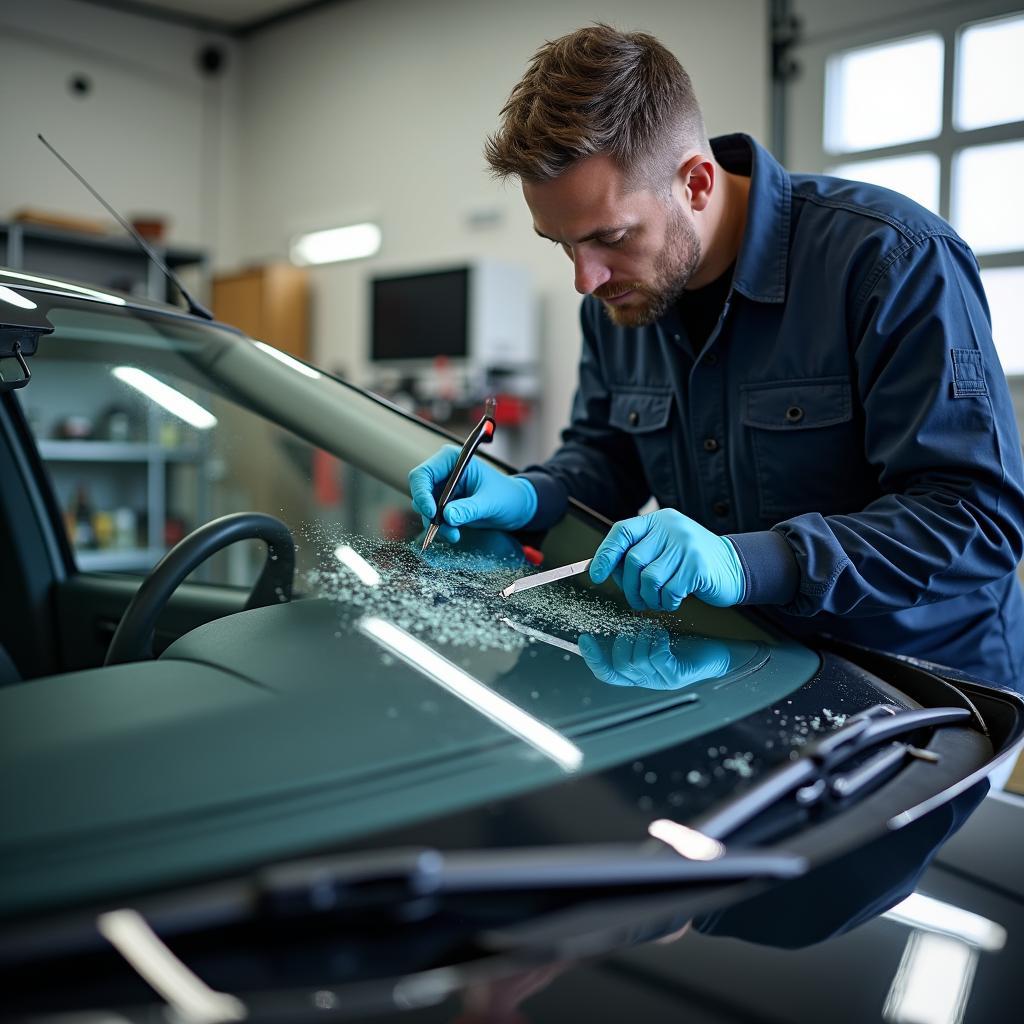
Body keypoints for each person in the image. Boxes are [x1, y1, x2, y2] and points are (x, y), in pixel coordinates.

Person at [409, 24, 1024, 689]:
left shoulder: (891, 261)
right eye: (559, 243)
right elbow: (607, 457)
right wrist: (527, 494)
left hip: (919, 684)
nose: (584, 280)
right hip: (737, 663)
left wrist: (751, 563)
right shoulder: (616, 302)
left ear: (697, 183)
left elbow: (973, 519)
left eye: (609, 237)